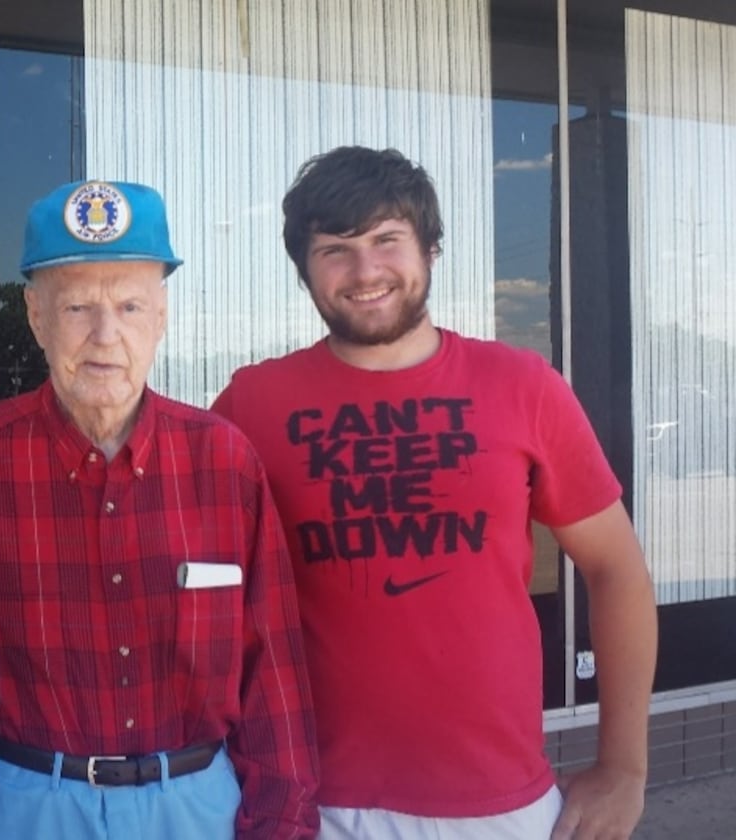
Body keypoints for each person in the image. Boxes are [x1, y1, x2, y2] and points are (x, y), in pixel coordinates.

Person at [211, 146, 658, 839]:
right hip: (310, 801)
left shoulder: (522, 385)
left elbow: (616, 569)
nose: (366, 272)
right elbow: (199, 590)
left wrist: (623, 768)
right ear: (304, 271)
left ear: (431, 249)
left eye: (387, 240)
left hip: (499, 804)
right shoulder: (253, 403)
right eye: (335, 249)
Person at [0, 180, 320, 839]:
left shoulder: (224, 459)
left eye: (130, 305)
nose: (105, 334)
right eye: (77, 307)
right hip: (22, 808)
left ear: (161, 317)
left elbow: (272, 671)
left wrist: (283, 824)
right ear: (36, 318)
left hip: (194, 808)